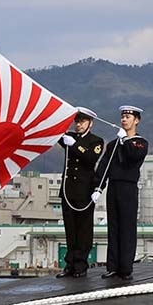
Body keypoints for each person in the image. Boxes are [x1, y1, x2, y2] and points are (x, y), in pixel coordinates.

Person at [95, 105, 149, 282]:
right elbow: (105, 166)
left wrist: (125, 140)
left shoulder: (140, 143)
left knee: (127, 227)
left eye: (128, 116)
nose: (124, 119)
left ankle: (125, 267)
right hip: (114, 186)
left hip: (128, 187)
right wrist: (98, 187)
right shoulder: (112, 145)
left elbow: (132, 157)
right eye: (123, 116)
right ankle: (113, 266)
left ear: (136, 120)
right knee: (114, 227)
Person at [56, 107, 104, 277]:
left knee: (83, 230)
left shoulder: (96, 141)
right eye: (76, 121)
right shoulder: (70, 137)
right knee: (70, 230)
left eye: (82, 121)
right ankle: (69, 264)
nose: (78, 125)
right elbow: (56, 132)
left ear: (90, 123)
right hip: (68, 192)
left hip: (84, 192)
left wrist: (75, 145)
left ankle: (80, 265)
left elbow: (90, 158)